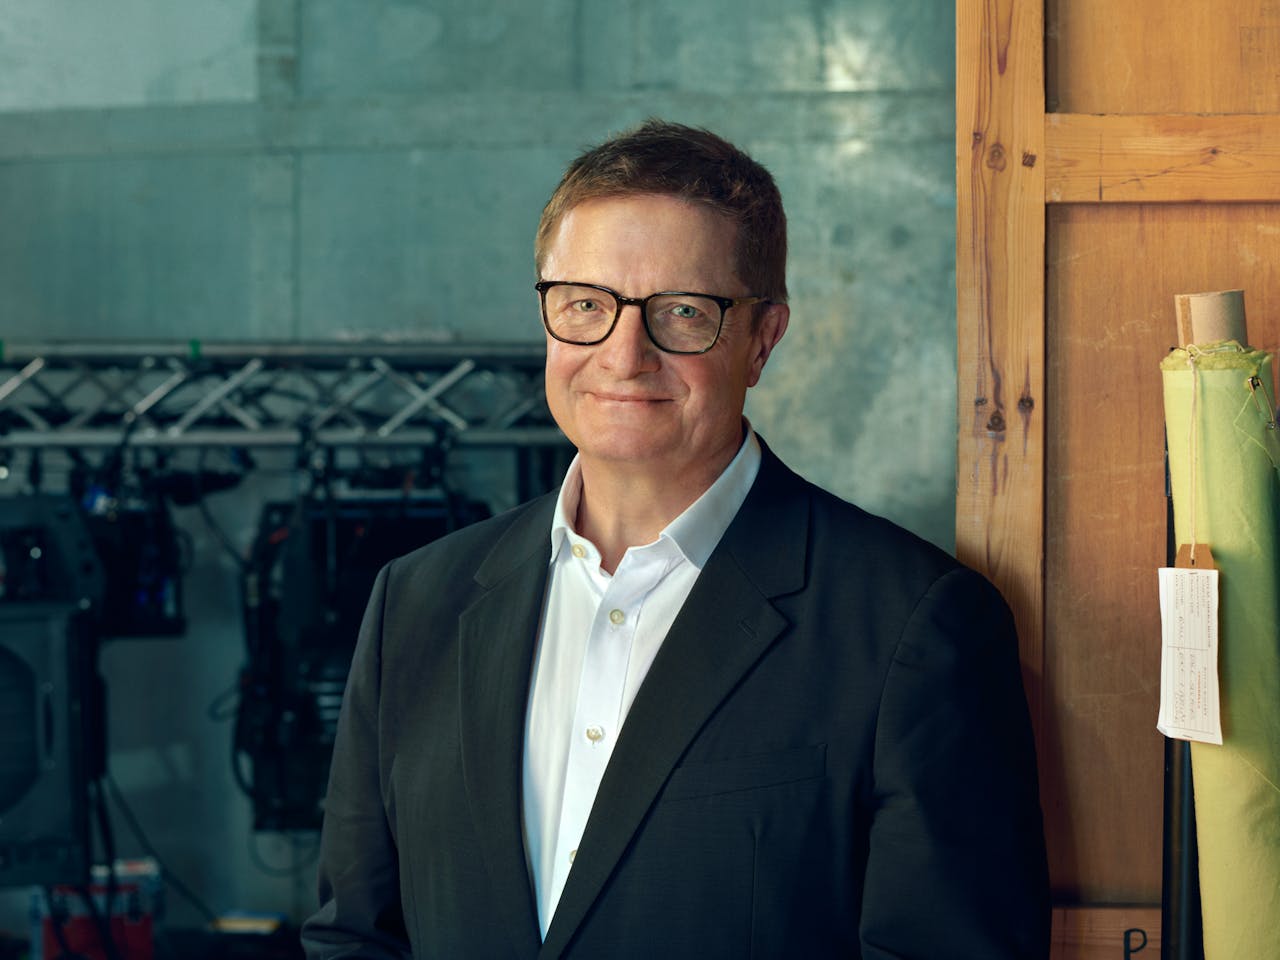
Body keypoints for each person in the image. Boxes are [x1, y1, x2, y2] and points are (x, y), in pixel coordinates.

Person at [301, 119, 1049, 959]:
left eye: (683, 312)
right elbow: (353, 939)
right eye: (586, 304)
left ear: (762, 339)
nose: (624, 355)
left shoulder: (914, 625)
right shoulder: (414, 603)